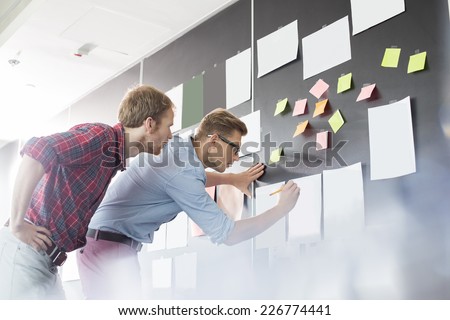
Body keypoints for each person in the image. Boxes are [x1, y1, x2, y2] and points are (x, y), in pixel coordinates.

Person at [0, 85, 260, 300]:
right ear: (149, 124)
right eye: (169, 126)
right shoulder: (101, 138)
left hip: (49, 260)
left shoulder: (114, 155)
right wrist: (18, 223)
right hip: (25, 252)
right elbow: (37, 151)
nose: (171, 135)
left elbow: (187, 175)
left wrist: (231, 178)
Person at [77, 108, 300, 299]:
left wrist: (232, 179)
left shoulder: (179, 146)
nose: (236, 158)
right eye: (234, 149)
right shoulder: (182, 171)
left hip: (104, 243)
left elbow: (191, 177)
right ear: (213, 141)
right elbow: (228, 234)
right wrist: (281, 209)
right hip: (108, 248)